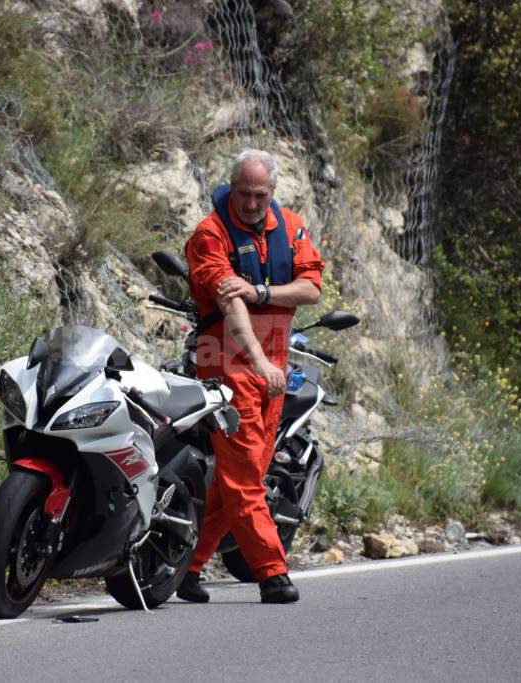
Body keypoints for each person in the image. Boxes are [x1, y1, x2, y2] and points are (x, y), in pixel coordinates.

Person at [177, 149, 324, 604]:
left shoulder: (291, 225)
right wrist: (259, 363)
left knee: (240, 476)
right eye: (244, 194)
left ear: (273, 193)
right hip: (227, 362)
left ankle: (187, 565)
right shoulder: (210, 234)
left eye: (261, 195)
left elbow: (311, 289)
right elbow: (230, 305)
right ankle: (272, 572)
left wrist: (262, 289)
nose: (252, 204)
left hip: (272, 366)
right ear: (231, 187)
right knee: (244, 477)